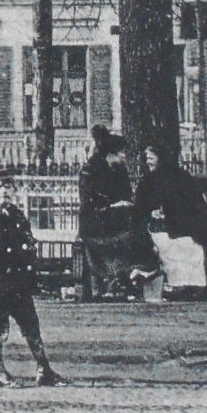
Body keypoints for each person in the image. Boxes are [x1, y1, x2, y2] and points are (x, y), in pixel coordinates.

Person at [0, 166, 66, 388]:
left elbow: (28, 243)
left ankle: (44, 369)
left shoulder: (16, 215)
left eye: (9, 187)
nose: (5, 191)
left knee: (31, 326)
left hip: (19, 283)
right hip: (1, 285)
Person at [134, 144, 207, 298]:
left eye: (151, 158)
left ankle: (192, 285)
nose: (148, 162)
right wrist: (151, 213)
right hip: (157, 228)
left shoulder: (181, 177)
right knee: (169, 247)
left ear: (161, 158)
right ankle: (176, 285)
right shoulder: (147, 181)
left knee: (190, 246)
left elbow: (193, 205)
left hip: (183, 226)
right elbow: (140, 208)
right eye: (146, 158)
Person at [78, 128, 153, 298]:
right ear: (110, 154)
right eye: (121, 153)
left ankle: (132, 275)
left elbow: (126, 194)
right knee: (128, 235)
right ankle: (119, 279)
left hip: (115, 218)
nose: (125, 156)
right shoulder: (90, 170)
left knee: (137, 230)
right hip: (94, 221)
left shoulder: (120, 170)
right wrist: (113, 205)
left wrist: (124, 204)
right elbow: (89, 199)